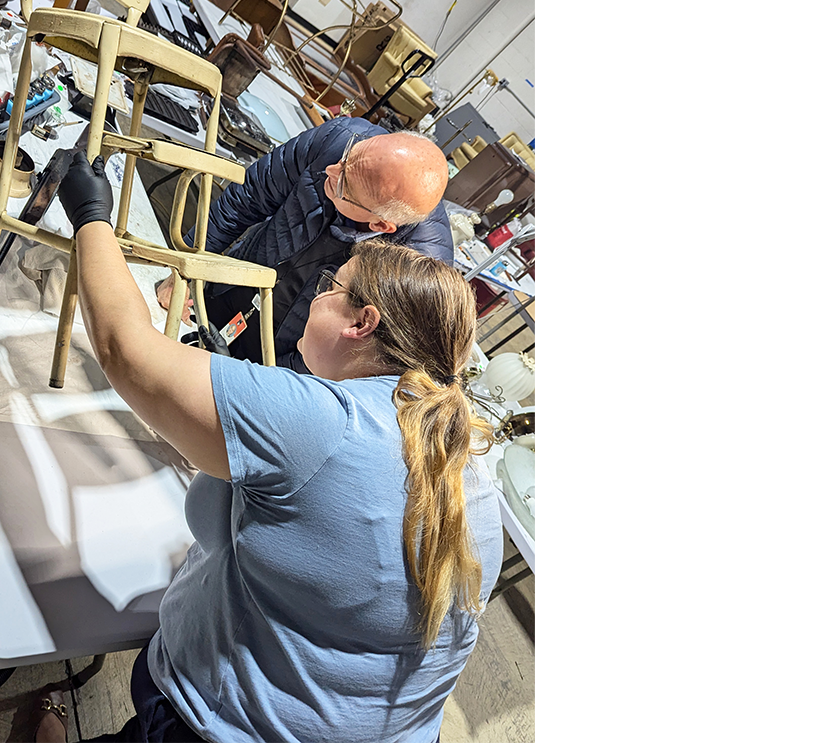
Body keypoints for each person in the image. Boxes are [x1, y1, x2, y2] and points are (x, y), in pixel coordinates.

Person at [35, 152, 503, 743]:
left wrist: (91, 215)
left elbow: (127, 350)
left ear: (362, 324)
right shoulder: (463, 451)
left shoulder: (327, 424)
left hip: (240, 730)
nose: (315, 294)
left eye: (334, 287)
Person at [155, 116, 454, 372]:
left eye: (344, 185)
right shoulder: (340, 139)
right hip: (229, 285)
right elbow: (246, 198)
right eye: (346, 160)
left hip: (280, 356)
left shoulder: (416, 270)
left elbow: (346, 356)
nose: (331, 171)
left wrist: (252, 380)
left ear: (379, 225)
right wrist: (183, 270)